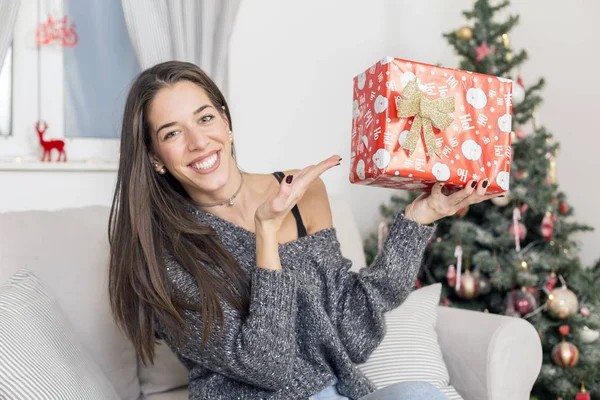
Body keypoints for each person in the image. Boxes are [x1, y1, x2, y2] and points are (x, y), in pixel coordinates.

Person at [108, 60, 501, 400]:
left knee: (421, 394)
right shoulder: (159, 255)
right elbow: (267, 367)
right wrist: (266, 234)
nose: (198, 141)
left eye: (205, 117)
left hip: (337, 391)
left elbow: (352, 335)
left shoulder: (303, 193)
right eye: (172, 133)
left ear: (226, 122)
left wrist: (420, 218)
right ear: (155, 158)